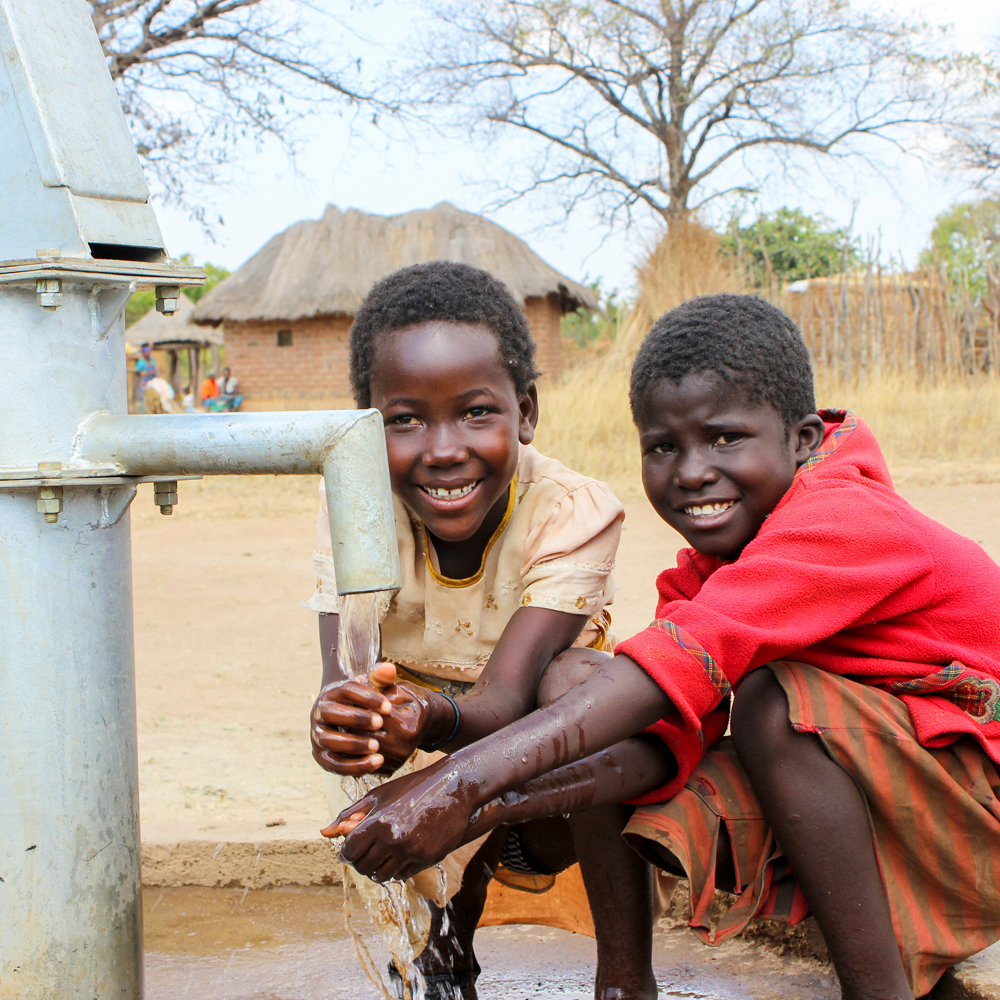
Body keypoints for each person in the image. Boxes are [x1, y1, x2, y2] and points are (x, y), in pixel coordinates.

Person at [329, 293, 1000, 1000]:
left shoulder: (843, 521)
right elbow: (656, 741)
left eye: (725, 437)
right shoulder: (707, 575)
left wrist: (458, 785)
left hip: (977, 808)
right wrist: (479, 808)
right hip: (910, 794)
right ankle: (623, 985)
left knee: (772, 705)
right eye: (662, 447)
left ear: (802, 438)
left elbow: (663, 675)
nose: (691, 472)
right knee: (582, 685)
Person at [307, 261, 670, 1000]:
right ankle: (439, 954)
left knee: (580, 694)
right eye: (404, 419)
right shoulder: (354, 508)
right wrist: (344, 724)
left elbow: (506, 700)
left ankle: (626, 981)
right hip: (420, 775)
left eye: (476, 413)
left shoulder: (573, 510)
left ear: (526, 412)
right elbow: (344, 680)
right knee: (406, 834)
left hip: (555, 781)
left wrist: (424, 713)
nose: (443, 449)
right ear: (363, 430)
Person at [135, 344, 158, 412]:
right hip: (144, 384)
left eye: (149, 352)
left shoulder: (153, 362)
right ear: (143, 353)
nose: (148, 353)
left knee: (153, 399)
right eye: (146, 352)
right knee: (144, 399)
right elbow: (137, 373)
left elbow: (157, 372)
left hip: (153, 384)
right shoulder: (141, 363)